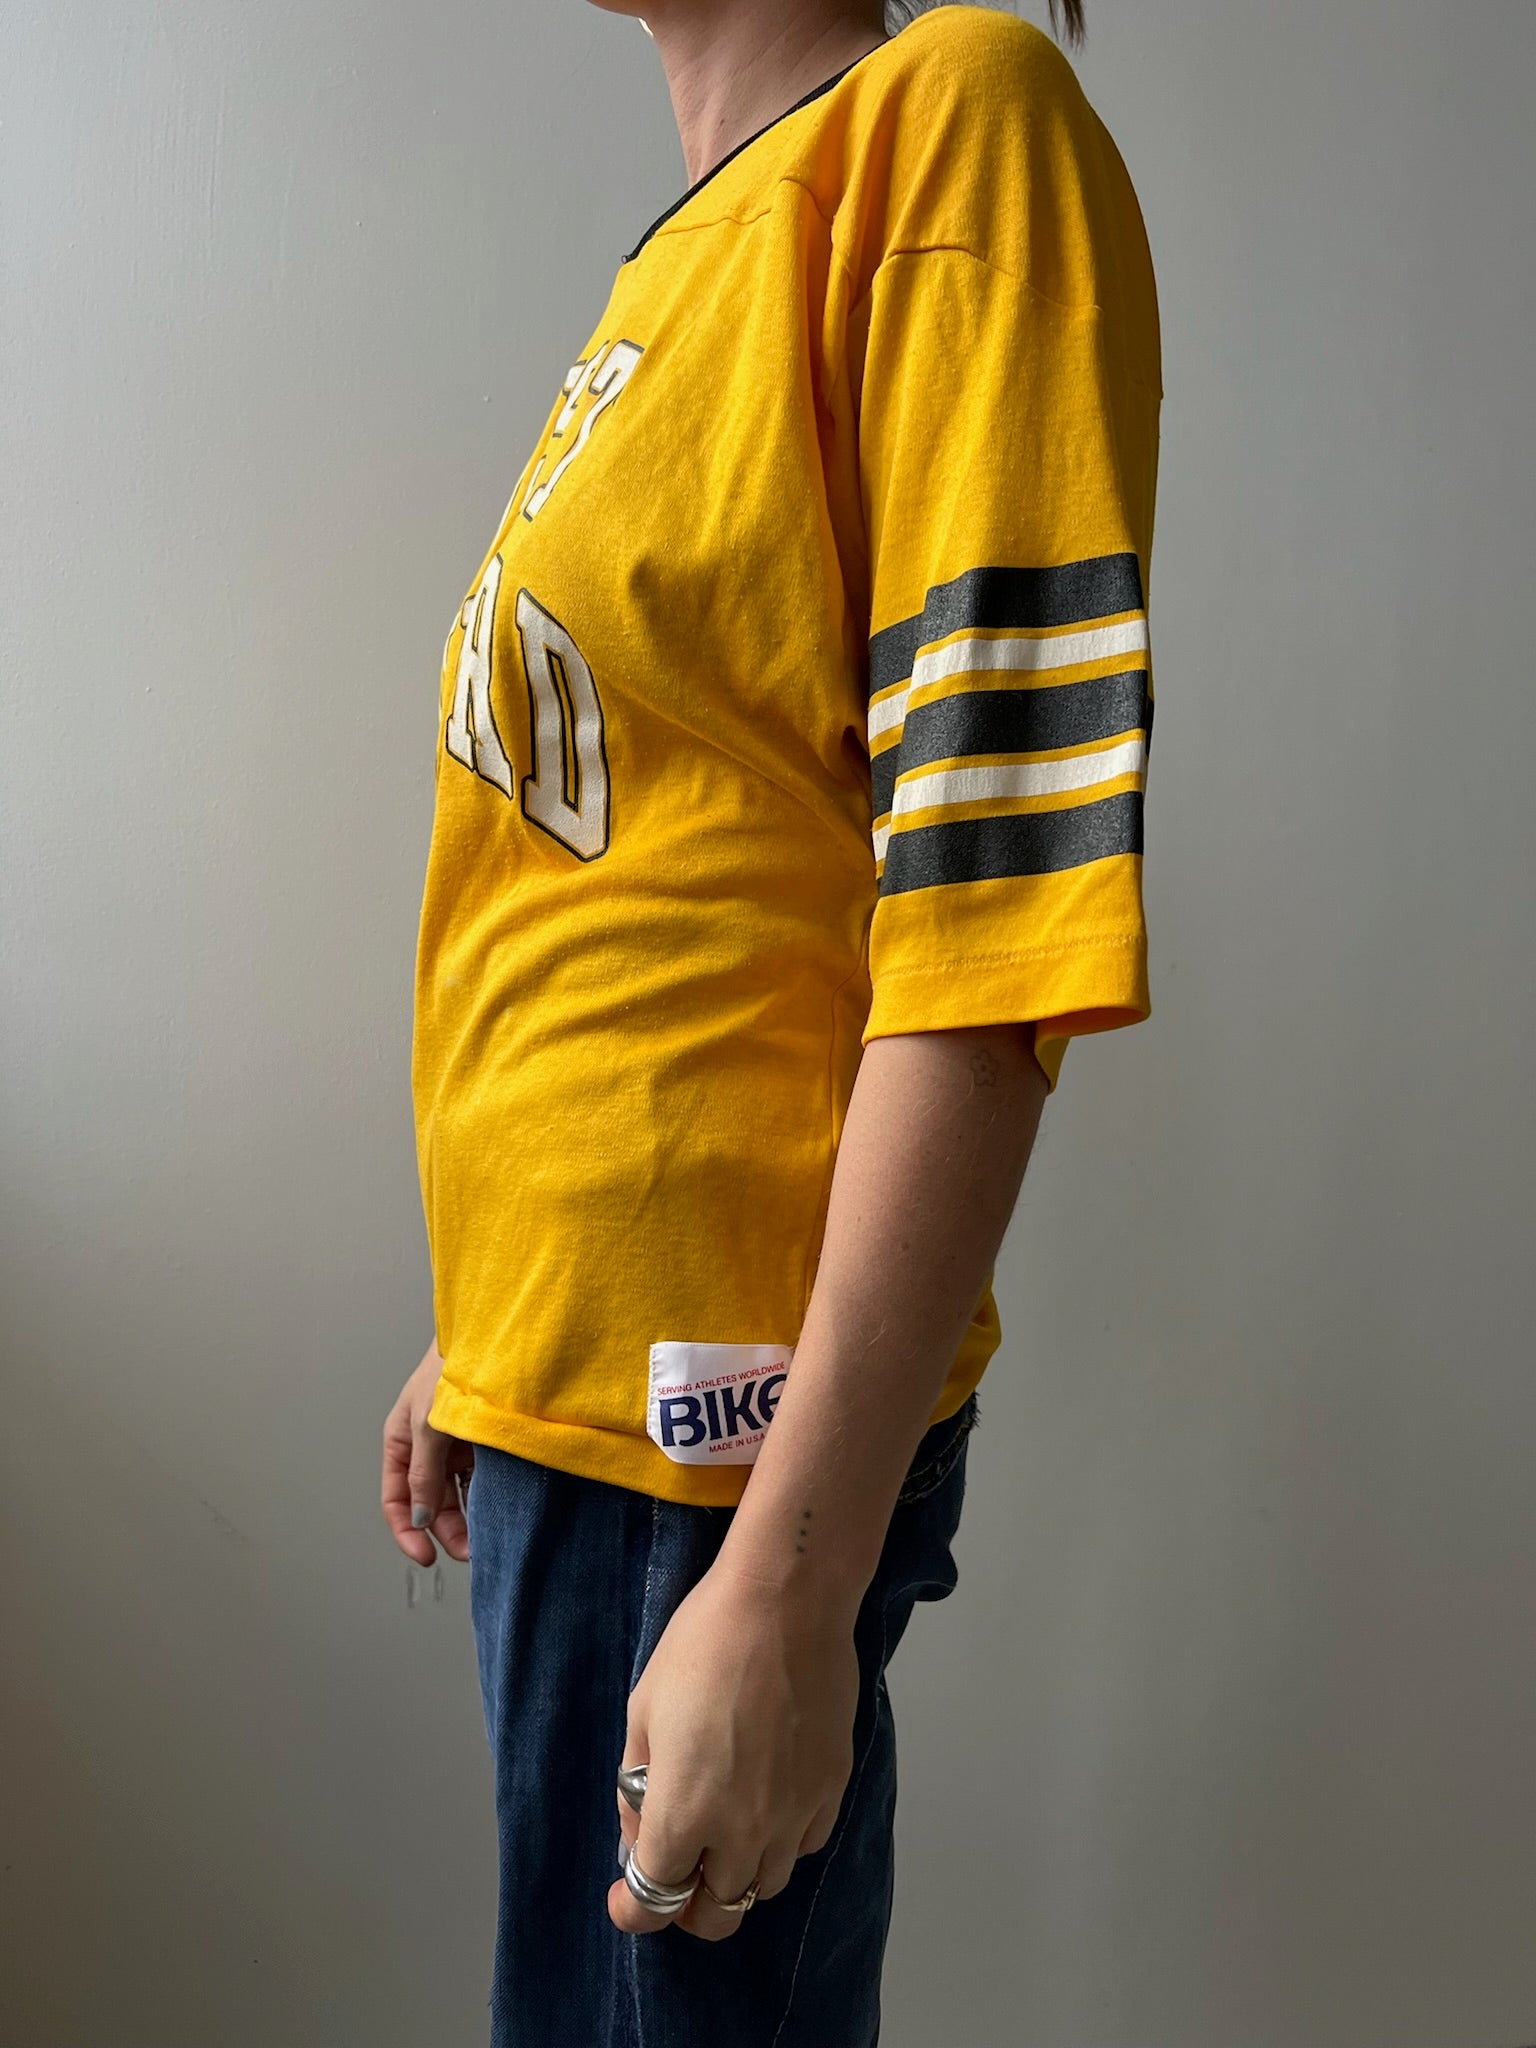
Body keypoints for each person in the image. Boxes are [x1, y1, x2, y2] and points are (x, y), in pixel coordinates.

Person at [382, 0, 1161, 2039]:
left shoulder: (955, 123)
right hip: (574, 1404)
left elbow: (991, 908)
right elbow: (652, 872)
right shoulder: (684, 260)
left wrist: (792, 1583)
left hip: (716, 1458)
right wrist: (498, 1319)